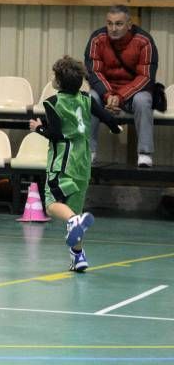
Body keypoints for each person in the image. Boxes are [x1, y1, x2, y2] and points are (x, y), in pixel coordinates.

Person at [30, 56, 122, 273]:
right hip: (83, 161)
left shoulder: (52, 102)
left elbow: (55, 134)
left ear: (59, 82)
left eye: (53, 75)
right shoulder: (87, 98)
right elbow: (106, 117)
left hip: (63, 159)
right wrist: (116, 128)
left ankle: (72, 221)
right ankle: (78, 257)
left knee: (52, 204)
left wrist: (38, 128)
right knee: (75, 213)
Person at [85, 5, 159, 167]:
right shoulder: (97, 39)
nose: (113, 28)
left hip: (133, 95)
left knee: (144, 100)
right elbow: (94, 73)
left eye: (119, 24)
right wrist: (108, 95)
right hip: (106, 94)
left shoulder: (145, 41)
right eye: (109, 23)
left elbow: (145, 76)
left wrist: (119, 97)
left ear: (129, 25)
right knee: (90, 98)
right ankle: (88, 151)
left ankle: (145, 153)